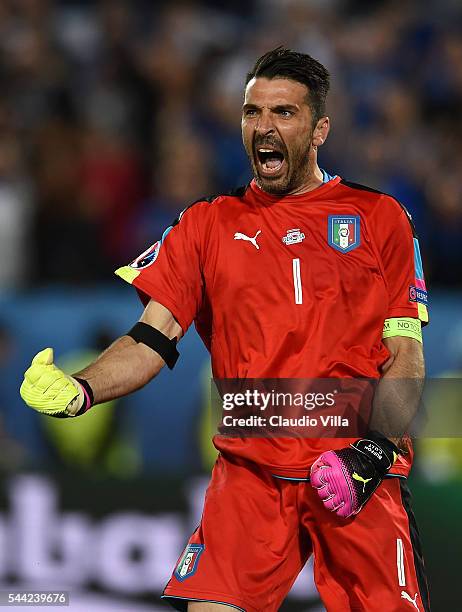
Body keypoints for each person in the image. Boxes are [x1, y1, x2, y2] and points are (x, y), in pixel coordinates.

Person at [20, 48, 431, 611]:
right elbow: (149, 339)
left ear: (319, 129)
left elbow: (403, 354)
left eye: (284, 113)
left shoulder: (380, 217)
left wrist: (373, 452)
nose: (264, 127)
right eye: (252, 112)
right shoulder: (205, 224)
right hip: (252, 474)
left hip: (351, 472)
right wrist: (84, 387)